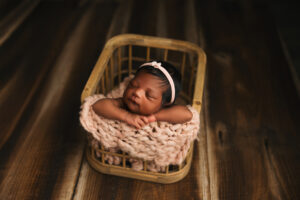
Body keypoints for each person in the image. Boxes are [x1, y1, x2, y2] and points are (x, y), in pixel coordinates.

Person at [92, 61, 193, 129]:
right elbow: (98, 105)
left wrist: (154, 117)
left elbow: (187, 114)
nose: (136, 92)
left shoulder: (161, 110)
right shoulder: (123, 104)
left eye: (149, 95)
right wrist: (127, 116)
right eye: (133, 85)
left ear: (165, 102)